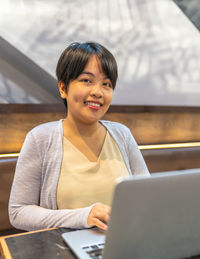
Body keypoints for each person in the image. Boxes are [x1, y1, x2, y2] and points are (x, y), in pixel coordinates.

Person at [8, 42, 149, 232]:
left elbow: (147, 195)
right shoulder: (40, 138)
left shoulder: (122, 135)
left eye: (106, 84)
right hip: (63, 250)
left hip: (123, 244)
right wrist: (83, 216)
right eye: (86, 80)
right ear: (63, 88)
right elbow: (19, 212)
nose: (97, 92)